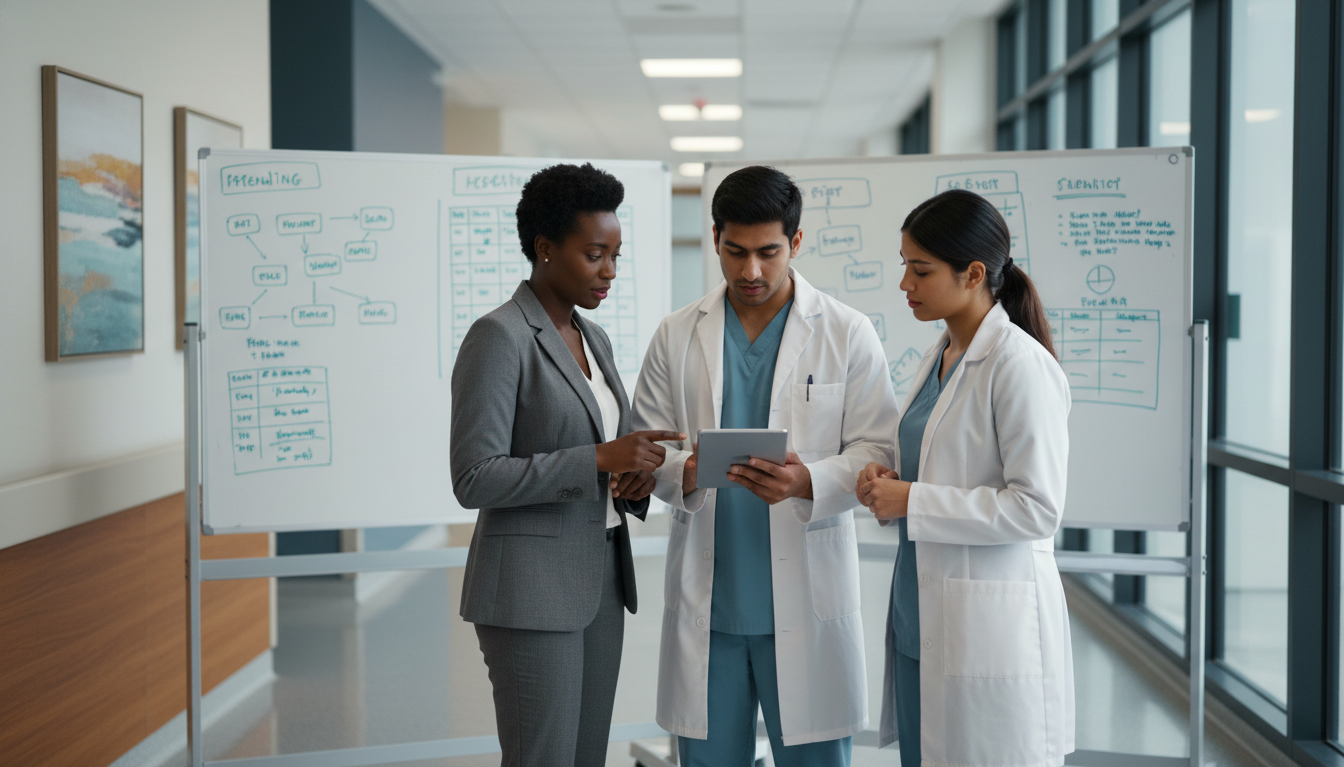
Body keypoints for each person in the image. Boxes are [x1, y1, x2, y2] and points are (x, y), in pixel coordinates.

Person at [631, 165, 899, 766]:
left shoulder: (848, 333)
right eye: (735, 252)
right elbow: (644, 447)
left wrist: (810, 479)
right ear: (717, 240)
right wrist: (687, 473)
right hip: (712, 609)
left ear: (796, 244)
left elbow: (878, 450)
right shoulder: (677, 335)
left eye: (768, 253)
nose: (750, 271)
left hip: (806, 600)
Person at [450, 163, 687, 767]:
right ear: (545, 249)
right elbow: (474, 477)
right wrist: (600, 458)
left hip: (600, 581)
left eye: (615, 254)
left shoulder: (594, 337)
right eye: (594, 254)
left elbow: (605, 461)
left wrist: (631, 478)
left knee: (585, 757)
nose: (609, 271)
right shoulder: (498, 337)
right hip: (529, 590)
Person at [855, 188, 1074, 767]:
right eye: (905, 266)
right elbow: (944, 461)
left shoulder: (1020, 366)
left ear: (974, 273)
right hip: (919, 610)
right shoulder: (941, 354)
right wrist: (890, 479)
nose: (905, 284)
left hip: (985, 622)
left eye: (920, 270)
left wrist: (914, 500)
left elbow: (1037, 509)